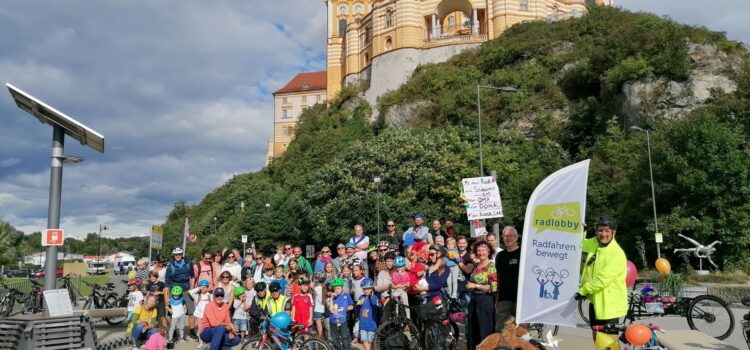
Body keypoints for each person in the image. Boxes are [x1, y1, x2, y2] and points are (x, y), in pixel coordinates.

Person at [575, 216, 627, 344]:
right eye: (600, 230)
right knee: (597, 337)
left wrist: (583, 291)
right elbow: (580, 244)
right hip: (596, 302)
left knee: (610, 341)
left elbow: (602, 279)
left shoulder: (617, 253)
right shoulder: (594, 243)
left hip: (610, 305)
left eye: (607, 231)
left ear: (613, 232)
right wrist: (583, 231)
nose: (603, 234)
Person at [467, 240, 498, 350]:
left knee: (484, 331)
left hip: (485, 302)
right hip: (474, 301)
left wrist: (476, 286)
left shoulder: (491, 266)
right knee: (474, 331)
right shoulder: (476, 266)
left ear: (488, 252)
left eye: (483, 250)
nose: (481, 252)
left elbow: (494, 287)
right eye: (478, 250)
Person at [165, 247, 197, 339]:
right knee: (173, 313)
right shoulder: (170, 265)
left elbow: (192, 276)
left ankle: (192, 331)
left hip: (186, 289)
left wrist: (191, 288)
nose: (177, 256)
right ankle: (174, 331)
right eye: (176, 254)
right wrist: (167, 296)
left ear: (182, 254)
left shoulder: (188, 263)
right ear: (173, 255)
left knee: (191, 311)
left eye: (179, 254)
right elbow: (167, 282)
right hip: (174, 291)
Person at [494, 226, 522, 331]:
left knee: (519, 329)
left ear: (516, 237)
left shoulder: (523, 253)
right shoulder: (500, 255)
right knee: (500, 328)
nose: (508, 238)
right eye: (505, 236)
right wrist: (496, 298)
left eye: (510, 235)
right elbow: (498, 277)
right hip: (504, 298)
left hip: (520, 298)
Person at [328, 278, 353, 350]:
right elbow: (330, 309)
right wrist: (331, 298)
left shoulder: (346, 295)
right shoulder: (333, 297)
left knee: (344, 337)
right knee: (335, 338)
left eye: (338, 288)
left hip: (343, 319)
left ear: (342, 287)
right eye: (335, 288)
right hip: (333, 319)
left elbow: (351, 306)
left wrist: (344, 308)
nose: (336, 290)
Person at [189, 279, 212, 350]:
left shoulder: (210, 295)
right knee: (200, 329)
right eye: (202, 287)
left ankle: (208, 342)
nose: (203, 288)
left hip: (208, 316)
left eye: (205, 287)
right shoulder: (197, 295)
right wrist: (198, 288)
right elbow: (190, 292)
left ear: (207, 287)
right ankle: (201, 343)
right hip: (199, 315)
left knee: (208, 329)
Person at [357, 278, 379, 350]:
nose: (366, 291)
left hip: (372, 324)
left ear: (372, 289)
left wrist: (371, 297)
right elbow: (357, 306)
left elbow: (376, 306)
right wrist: (359, 303)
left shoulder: (375, 297)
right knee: (364, 340)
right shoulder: (361, 297)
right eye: (364, 289)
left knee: (371, 341)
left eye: (368, 289)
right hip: (363, 324)